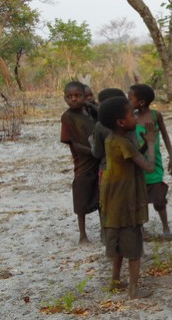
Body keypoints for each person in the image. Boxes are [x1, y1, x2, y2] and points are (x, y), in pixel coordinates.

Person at [98, 96, 157, 299]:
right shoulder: (124, 142)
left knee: (117, 244)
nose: (136, 118)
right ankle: (133, 288)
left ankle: (115, 280)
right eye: (132, 115)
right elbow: (148, 167)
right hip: (127, 202)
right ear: (121, 122)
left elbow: (131, 158)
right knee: (133, 246)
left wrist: (142, 146)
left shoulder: (111, 139)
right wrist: (150, 144)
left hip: (113, 202)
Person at [129, 84, 172, 238]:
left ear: (141, 102)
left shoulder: (156, 116)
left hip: (154, 163)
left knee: (159, 198)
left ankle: (166, 228)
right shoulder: (131, 118)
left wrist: (171, 157)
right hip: (137, 164)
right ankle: (141, 228)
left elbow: (165, 135)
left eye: (130, 98)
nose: (128, 101)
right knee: (138, 198)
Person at [60, 81, 100, 244]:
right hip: (83, 162)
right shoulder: (68, 117)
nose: (74, 99)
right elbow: (74, 144)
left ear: (85, 97)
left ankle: (105, 229)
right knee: (81, 197)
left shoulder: (91, 113)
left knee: (101, 195)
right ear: (65, 99)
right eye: (69, 97)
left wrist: (94, 108)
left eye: (77, 96)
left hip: (99, 160)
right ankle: (82, 234)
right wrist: (93, 152)